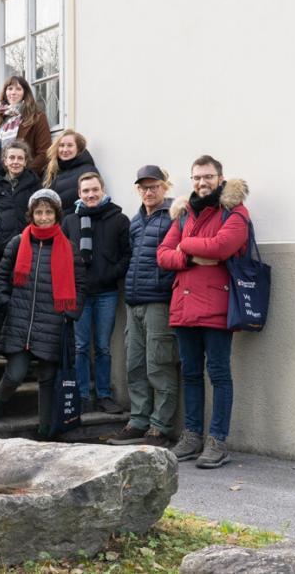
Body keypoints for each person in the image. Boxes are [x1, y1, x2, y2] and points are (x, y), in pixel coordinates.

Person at [157, 155, 250, 469]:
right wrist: (192, 256)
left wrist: (186, 246)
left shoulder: (234, 212)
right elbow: (163, 255)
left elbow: (223, 247)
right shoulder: (183, 214)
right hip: (183, 306)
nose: (201, 182)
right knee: (192, 374)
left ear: (220, 179)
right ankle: (192, 436)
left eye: (208, 177)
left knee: (219, 374)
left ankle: (217, 441)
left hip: (217, 306)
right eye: (196, 177)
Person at [0, 189, 84, 438]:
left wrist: (71, 313)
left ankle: (44, 427)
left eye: (48, 212)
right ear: (31, 214)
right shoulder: (18, 242)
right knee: (15, 373)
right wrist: (6, 301)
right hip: (20, 321)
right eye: (38, 212)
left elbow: (81, 284)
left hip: (53, 323)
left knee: (48, 379)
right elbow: (1, 276)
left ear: (56, 215)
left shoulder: (68, 248)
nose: (43, 217)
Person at [108, 165, 178, 447]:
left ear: (165, 187)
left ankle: (160, 427)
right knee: (134, 364)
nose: (149, 192)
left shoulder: (175, 216)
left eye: (154, 187)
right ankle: (138, 421)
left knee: (158, 365)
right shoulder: (135, 221)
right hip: (134, 301)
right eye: (144, 187)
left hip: (159, 302)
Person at [62, 172, 130, 414]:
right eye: (86, 191)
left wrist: (109, 273)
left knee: (102, 346)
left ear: (102, 190)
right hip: (79, 295)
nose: (90, 195)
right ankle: (81, 395)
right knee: (80, 346)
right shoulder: (70, 221)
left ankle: (103, 394)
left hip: (106, 294)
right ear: (79, 194)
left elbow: (126, 256)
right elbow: (61, 257)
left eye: (95, 190)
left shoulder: (119, 219)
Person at [0, 75, 52, 177]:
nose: (13, 92)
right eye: (10, 88)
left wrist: (24, 173)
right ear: (5, 92)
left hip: (25, 177)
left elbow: (44, 153)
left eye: (18, 89)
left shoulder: (37, 117)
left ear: (25, 93)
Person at [44, 130, 99, 208]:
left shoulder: (88, 171)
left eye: (70, 145)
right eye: (61, 145)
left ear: (78, 149)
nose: (65, 150)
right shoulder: (51, 170)